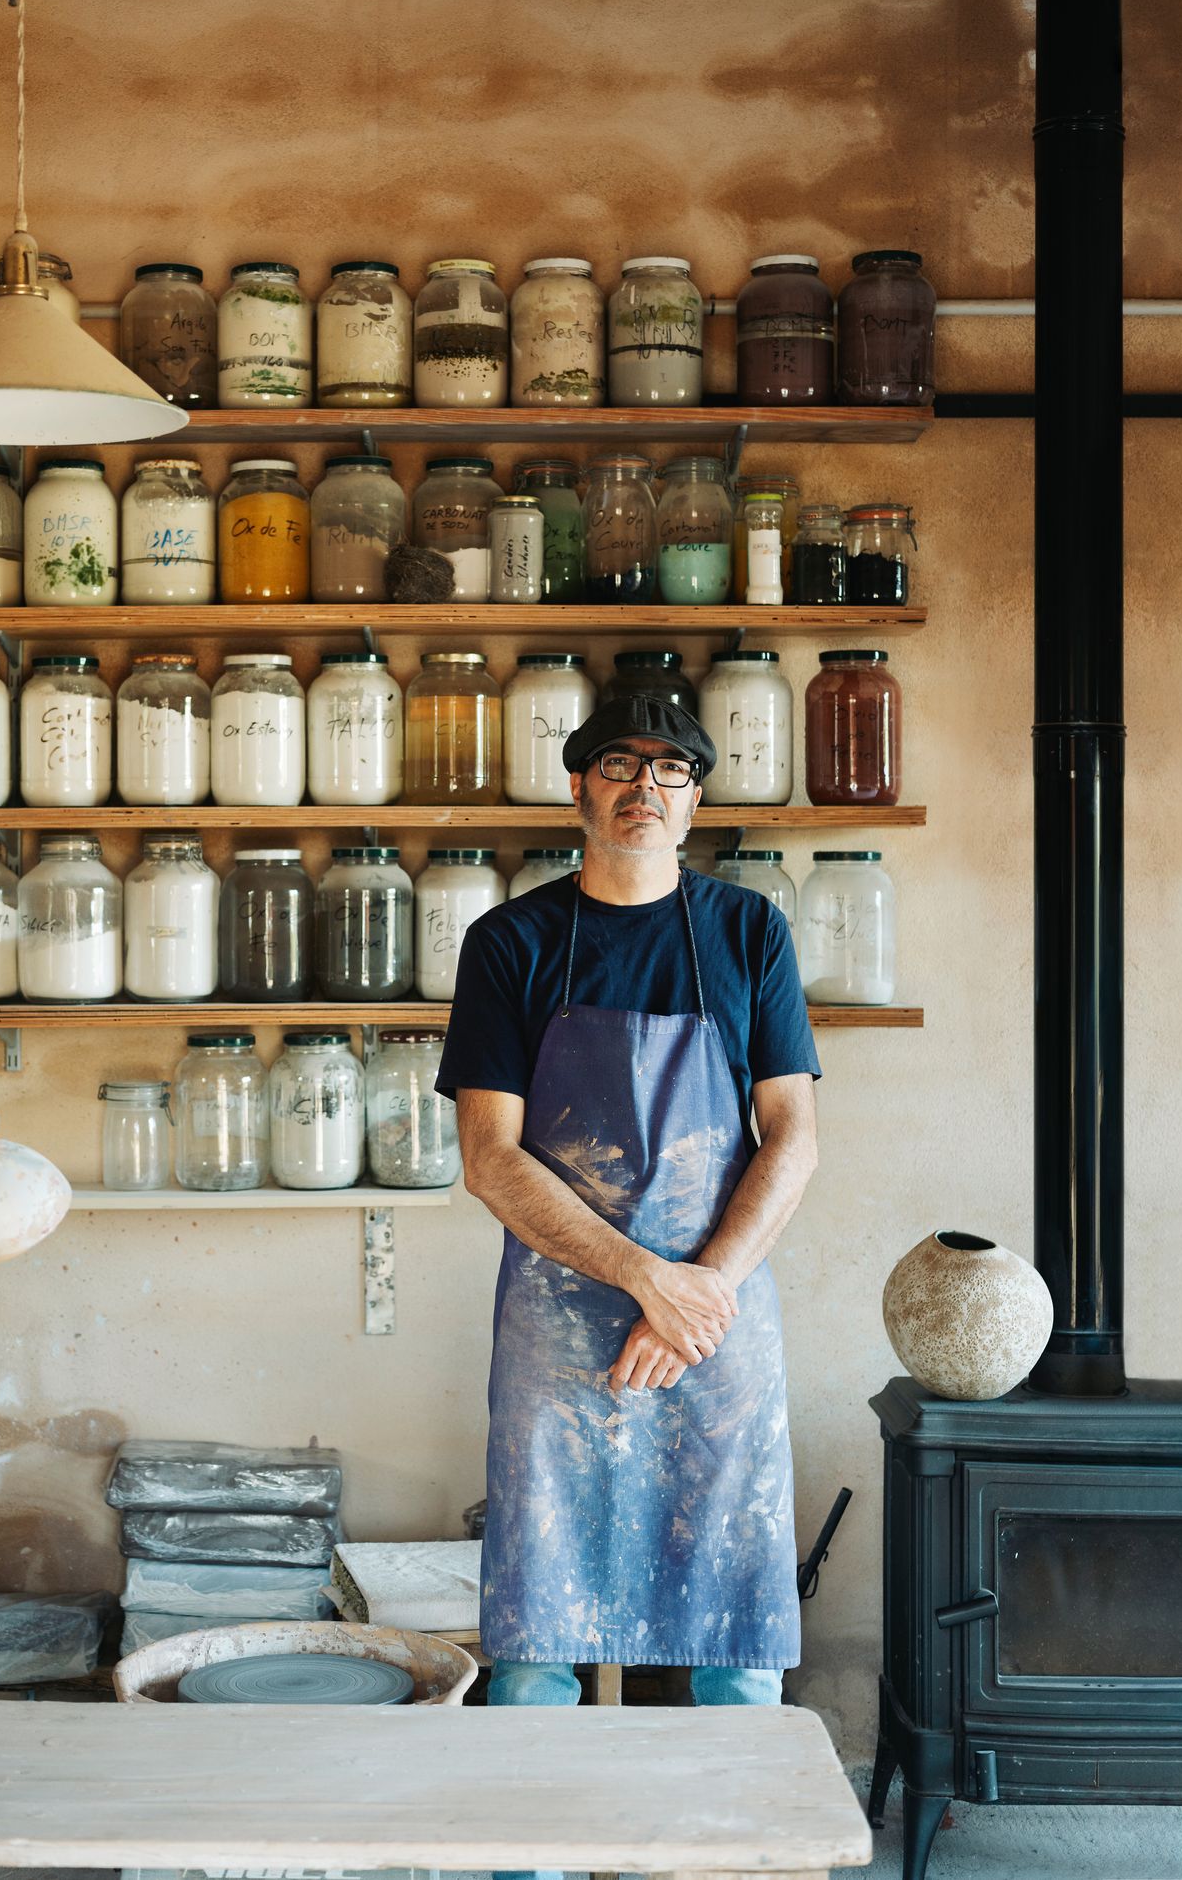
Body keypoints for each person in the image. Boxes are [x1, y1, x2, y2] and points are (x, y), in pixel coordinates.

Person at [437, 693, 820, 1733]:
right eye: (618, 763)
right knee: (537, 1633)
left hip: (717, 1318)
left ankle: (727, 1852)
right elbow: (489, 1158)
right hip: (561, 1329)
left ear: (693, 799)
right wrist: (649, 1278)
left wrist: (701, 1291)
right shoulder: (510, 941)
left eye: (670, 769)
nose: (642, 786)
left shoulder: (749, 931)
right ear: (578, 785)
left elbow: (791, 1135)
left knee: (732, 1635)